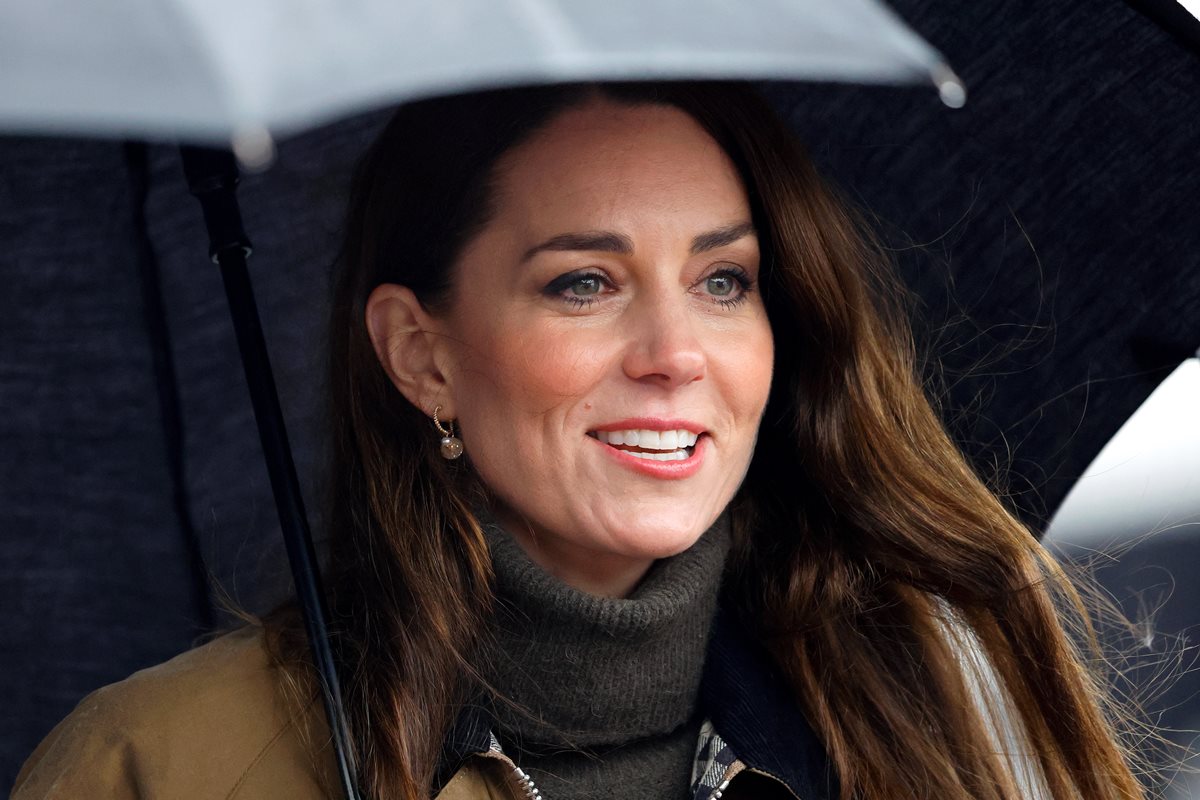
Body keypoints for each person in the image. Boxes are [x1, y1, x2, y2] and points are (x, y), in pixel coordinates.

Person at [12, 82, 1146, 800]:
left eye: (722, 278)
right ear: (421, 353)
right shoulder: (154, 766)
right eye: (585, 281)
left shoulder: (940, 716)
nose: (673, 351)